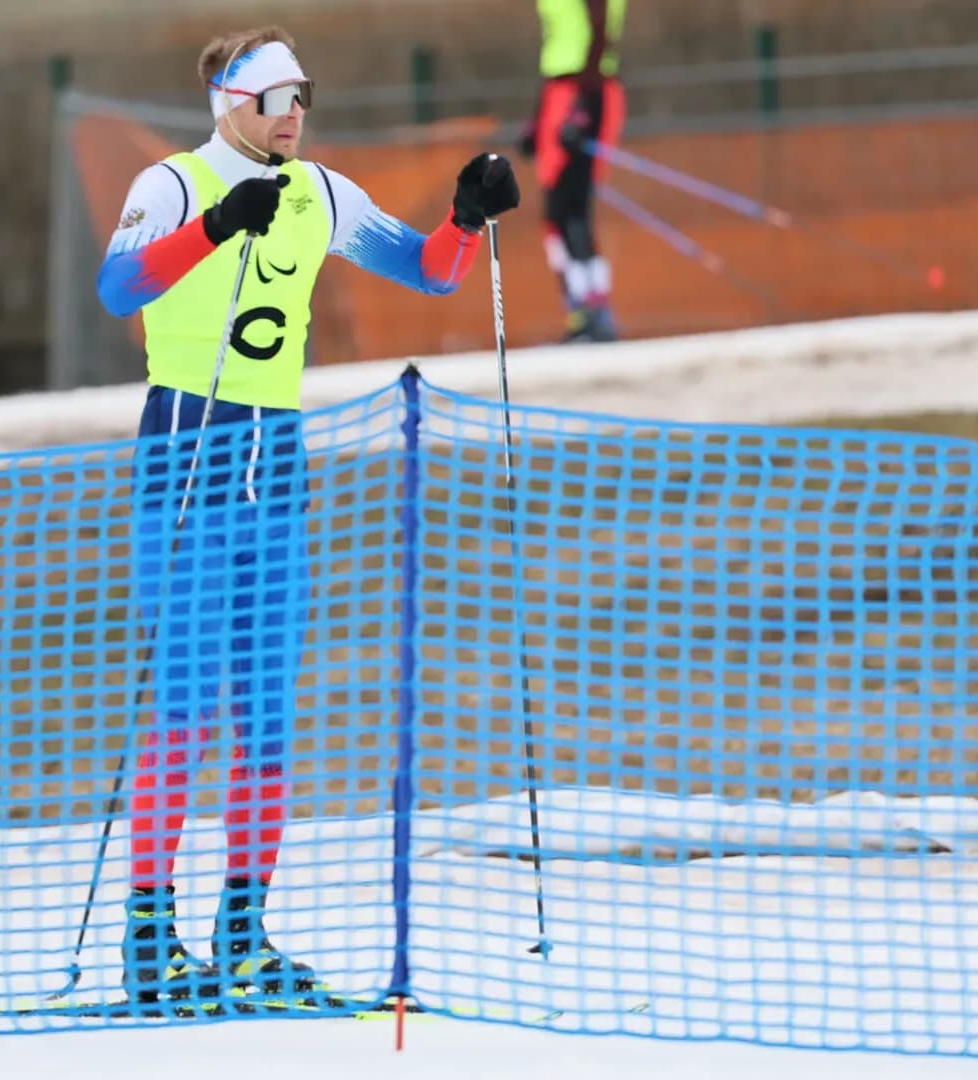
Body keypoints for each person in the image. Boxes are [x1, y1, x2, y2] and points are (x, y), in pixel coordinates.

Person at [95, 26, 518, 1005]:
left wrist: (465, 216)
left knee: (267, 717)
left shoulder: (321, 193)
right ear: (231, 104)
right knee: (186, 709)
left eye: (302, 98)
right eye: (276, 100)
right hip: (187, 455)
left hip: (275, 468)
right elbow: (120, 287)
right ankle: (149, 941)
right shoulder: (174, 184)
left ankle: (243, 933)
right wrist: (215, 227)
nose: (294, 116)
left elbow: (431, 269)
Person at [521, 0, 627, 342]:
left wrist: (581, 106)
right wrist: (538, 117)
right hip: (559, 92)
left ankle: (596, 313)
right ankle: (579, 311)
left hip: (587, 89)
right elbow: (555, 50)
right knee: (556, 214)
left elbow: (599, 29)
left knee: (572, 208)